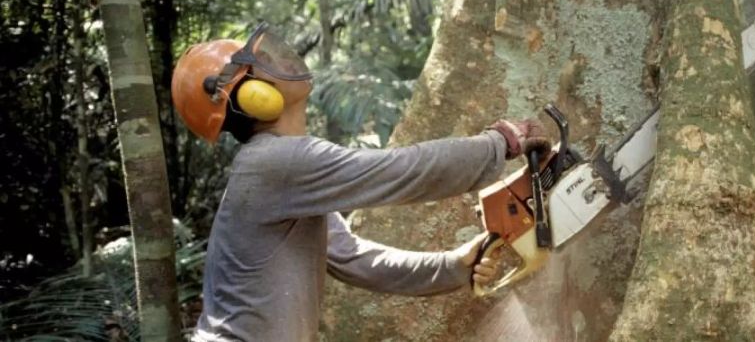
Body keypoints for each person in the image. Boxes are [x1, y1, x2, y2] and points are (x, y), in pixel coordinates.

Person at [170, 23, 551, 342]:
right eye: (263, 64)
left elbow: (354, 258)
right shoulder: (273, 163)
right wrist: (500, 142)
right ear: (253, 97)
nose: (278, 59)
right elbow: (399, 171)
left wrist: (452, 266)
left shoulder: (283, 173)